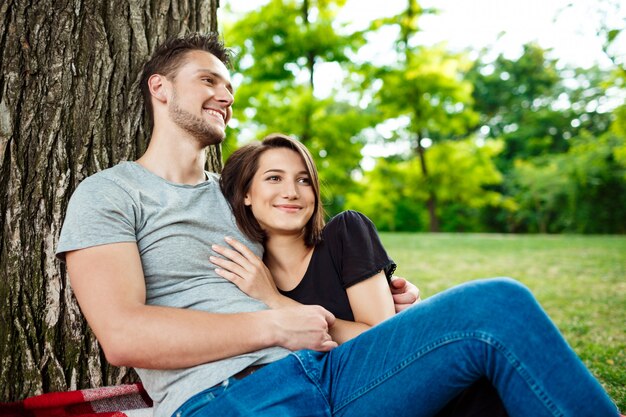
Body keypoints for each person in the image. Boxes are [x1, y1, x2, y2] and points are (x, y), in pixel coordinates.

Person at [55, 32, 620, 417]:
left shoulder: (236, 199)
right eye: (208, 80)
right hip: (234, 398)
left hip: (329, 369)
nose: (225, 94)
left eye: (228, 85)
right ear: (161, 88)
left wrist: (388, 301)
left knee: (495, 315)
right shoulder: (111, 193)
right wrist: (277, 328)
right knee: (488, 327)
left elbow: (295, 274)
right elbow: (123, 335)